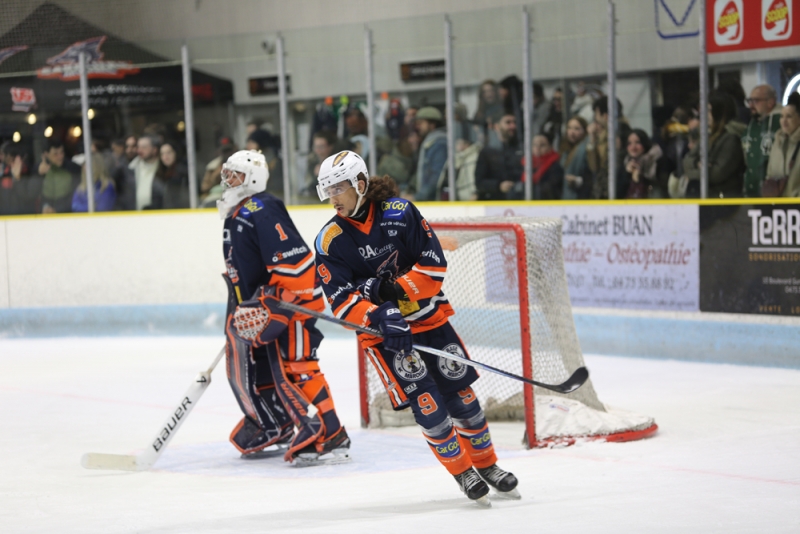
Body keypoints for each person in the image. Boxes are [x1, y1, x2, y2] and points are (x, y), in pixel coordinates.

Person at [312, 150, 519, 505]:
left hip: (430, 321)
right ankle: (463, 472)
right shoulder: (330, 240)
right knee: (428, 405)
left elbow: (434, 267)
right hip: (386, 339)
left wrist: (394, 292)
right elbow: (342, 301)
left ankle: (487, 465)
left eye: (339, 189)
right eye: (327, 190)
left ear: (360, 184)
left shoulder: (400, 214)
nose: (333, 198)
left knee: (463, 399)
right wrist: (379, 315)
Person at [217, 149, 349, 464]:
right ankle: (279, 423)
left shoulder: (261, 208)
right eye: (227, 173)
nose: (228, 179)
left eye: (234, 174)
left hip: (293, 306)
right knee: (267, 369)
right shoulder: (238, 211)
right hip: (266, 306)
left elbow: (296, 265)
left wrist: (284, 305)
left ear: (252, 178)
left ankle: (331, 434)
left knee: (298, 367)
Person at [682, 92, 745, 198]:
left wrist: (693, 173)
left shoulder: (731, 138)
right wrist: (698, 163)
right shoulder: (707, 135)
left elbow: (717, 174)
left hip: (724, 199)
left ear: (720, 112)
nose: (705, 114)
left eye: (709, 110)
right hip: (707, 196)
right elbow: (687, 161)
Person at [586, 96, 630, 199]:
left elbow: (604, 168)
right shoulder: (606, 135)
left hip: (614, 193)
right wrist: (592, 141)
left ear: (605, 116)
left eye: (596, 114)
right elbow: (595, 167)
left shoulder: (618, 134)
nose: (596, 119)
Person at [742, 85, 782, 197]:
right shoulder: (750, 125)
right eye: (749, 100)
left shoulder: (782, 122)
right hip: (751, 192)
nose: (750, 105)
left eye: (756, 100)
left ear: (770, 102)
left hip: (775, 193)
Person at [475, 112, 523, 200]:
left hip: (519, 200)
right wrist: (498, 186)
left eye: (514, 122)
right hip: (495, 203)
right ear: (497, 126)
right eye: (508, 123)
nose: (513, 126)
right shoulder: (487, 151)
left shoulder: (522, 149)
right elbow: (479, 182)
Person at [765, 92, 800, 198]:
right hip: (779, 206)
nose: (784, 121)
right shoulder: (777, 142)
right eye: (781, 116)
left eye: (789, 116)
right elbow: (770, 175)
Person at [514, 132, 563, 200]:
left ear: (550, 147)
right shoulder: (524, 163)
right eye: (535, 145)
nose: (538, 148)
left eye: (542, 145)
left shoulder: (555, 167)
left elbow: (550, 189)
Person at [414, 106, 448, 201]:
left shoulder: (439, 143)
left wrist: (418, 197)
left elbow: (437, 176)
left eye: (421, 123)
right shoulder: (431, 142)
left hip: (434, 202)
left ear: (432, 124)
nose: (417, 127)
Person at [38, 138, 80, 213]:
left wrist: (57, 209)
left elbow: (76, 195)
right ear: (46, 155)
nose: (60, 157)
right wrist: (39, 174)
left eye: (61, 152)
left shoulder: (72, 169)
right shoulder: (40, 170)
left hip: (67, 215)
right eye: (55, 154)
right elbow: (33, 195)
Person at [618, 129, 663, 199]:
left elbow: (661, 189)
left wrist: (639, 179)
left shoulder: (658, 161)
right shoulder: (624, 164)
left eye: (638, 142)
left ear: (644, 143)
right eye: (629, 143)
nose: (633, 147)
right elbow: (618, 195)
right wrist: (626, 174)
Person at [559, 116, 593, 199]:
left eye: (577, 129)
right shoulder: (564, 151)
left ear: (585, 131)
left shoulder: (587, 148)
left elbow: (593, 173)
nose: (572, 132)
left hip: (581, 199)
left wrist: (579, 181)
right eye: (569, 128)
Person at [152, 142, 190, 209]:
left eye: (169, 152)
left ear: (175, 153)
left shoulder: (184, 172)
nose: (165, 156)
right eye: (162, 154)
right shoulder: (159, 175)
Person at [128, 135, 160, 210]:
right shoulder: (131, 168)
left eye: (144, 147)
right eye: (138, 147)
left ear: (154, 150)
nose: (139, 150)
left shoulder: (162, 169)